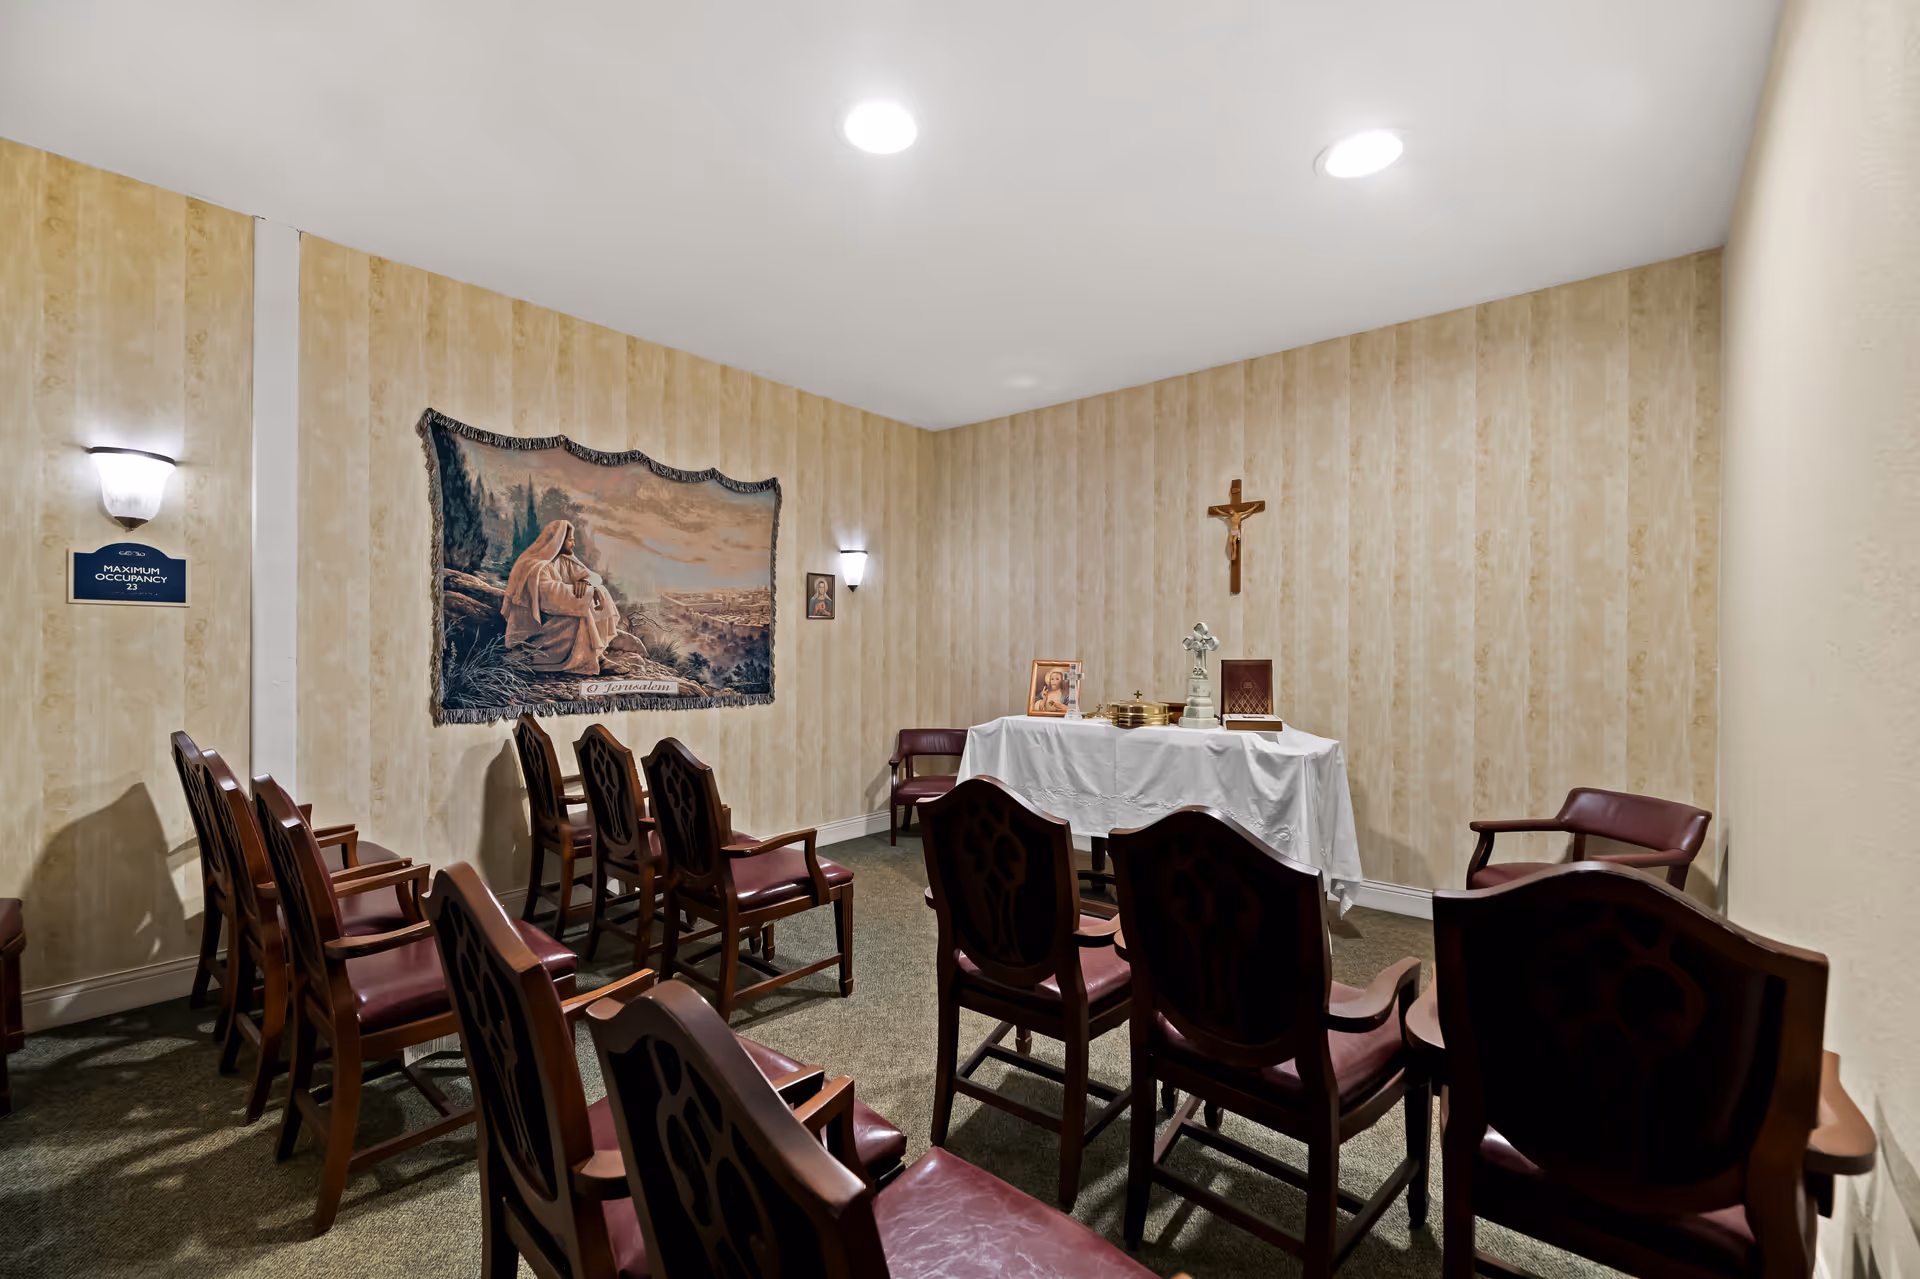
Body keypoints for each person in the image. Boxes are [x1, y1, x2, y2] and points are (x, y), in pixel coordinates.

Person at [501, 520, 621, 674]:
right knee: (581, 614)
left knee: (600, 591)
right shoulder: (534, 566)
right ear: (558, 541)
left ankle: (595, 655)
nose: (574, 544)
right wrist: (588, 592)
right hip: (537, 626)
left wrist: (586, 582)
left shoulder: (563, 560)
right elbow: (550, 595)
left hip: (555, 614)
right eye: (570, 540)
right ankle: (596, 660)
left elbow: (594, 577)